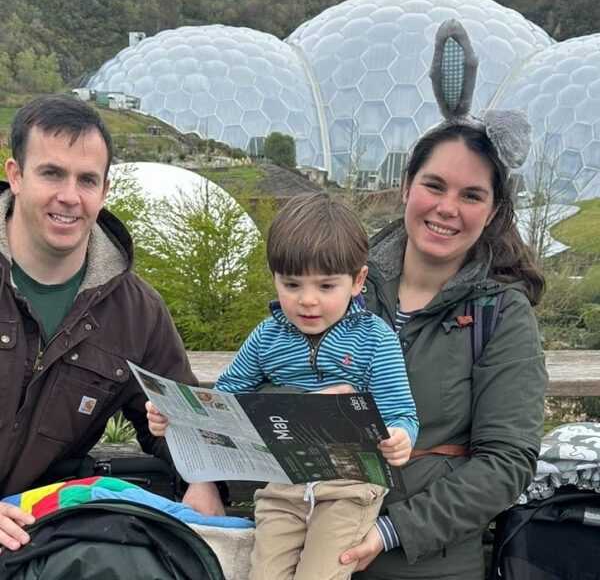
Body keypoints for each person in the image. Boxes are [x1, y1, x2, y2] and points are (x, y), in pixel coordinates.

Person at [336, 20, 549, 579]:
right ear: (407, 186)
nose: (446, 208)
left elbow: (506, 464)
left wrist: (391, 532)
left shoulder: (499, 314)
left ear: (494, 210)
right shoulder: (341, 283)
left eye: (471, 194)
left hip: (424, 564)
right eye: (434, 185)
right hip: (310, 544)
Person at [147, 193, 419, 580]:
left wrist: (399, 436)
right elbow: (222, 398)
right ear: (274, 278)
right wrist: (173, 415)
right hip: (283, 483)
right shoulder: (268, 337)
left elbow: (401, 412)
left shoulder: (375, 340)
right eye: (291, 284)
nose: (307, 301)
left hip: (349, 488)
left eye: (326, 286)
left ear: (357, 281)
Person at [0, 94, 222, 552]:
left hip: (35, 535)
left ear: (104, 190)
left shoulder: (134, 312)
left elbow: (176, 415)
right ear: (15, 175)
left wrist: (202, 481)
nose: (69, 196)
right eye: (51, 173)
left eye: (86, 180)